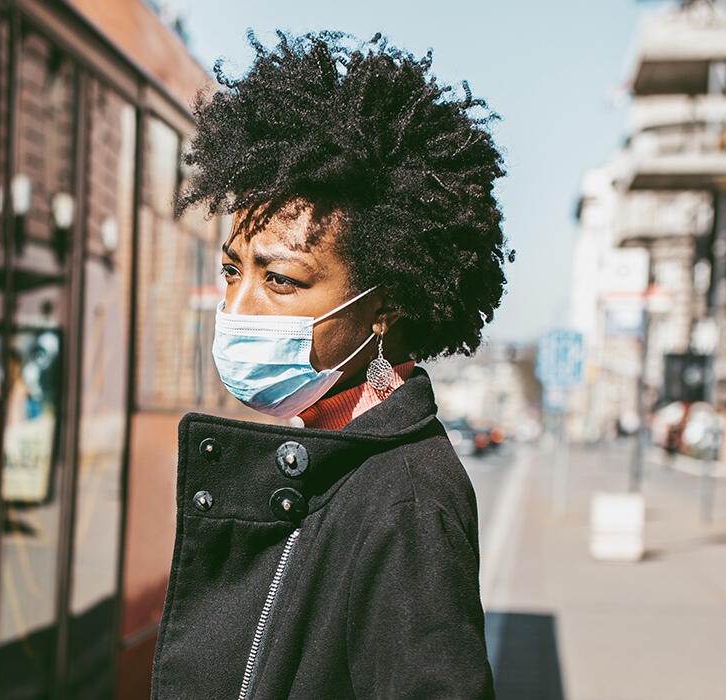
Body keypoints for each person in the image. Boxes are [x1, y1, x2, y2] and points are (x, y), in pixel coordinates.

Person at [151, 32, 504, 698]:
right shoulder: (339, 443)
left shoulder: (406, 500)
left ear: (385, 304)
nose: (239, 306)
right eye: (232, 270)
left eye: (280, 280)